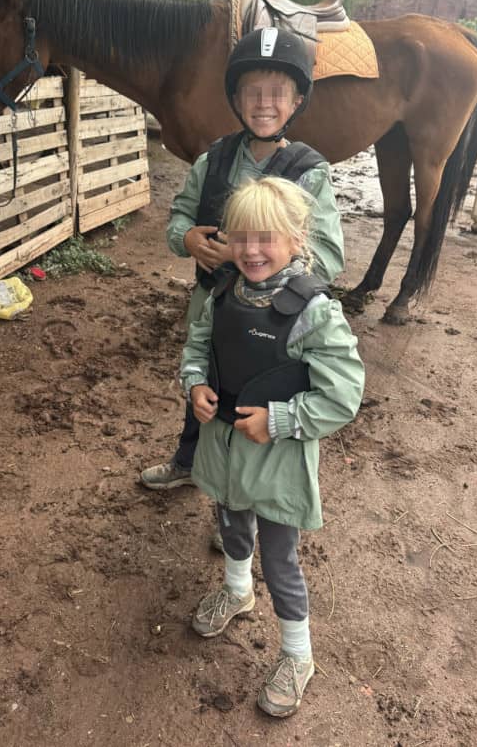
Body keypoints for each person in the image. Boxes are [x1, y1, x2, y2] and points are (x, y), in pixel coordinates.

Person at [181, 176, 364, 717]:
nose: (252, 250)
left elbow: (343, 395)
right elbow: (196, 344)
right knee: (231, 523)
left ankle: (297, 655)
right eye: (241, 237)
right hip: (224, 440)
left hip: (277, 450)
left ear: (297, 238)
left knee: (281, 558)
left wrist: (281, 421)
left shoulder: (314, 310)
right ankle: (237, 591)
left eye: (267, 237)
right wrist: (195, 385)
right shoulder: (221, 291)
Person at [141, 26, 346, 496]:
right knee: (204, 382)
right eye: (253, 92)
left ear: (297, 102)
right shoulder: (213, 159)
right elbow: (179, 217)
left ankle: (242, 492)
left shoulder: (308, 173)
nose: (265, 103)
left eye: (278, 92)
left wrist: (252, 257)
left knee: (256, 392)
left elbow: (329, 257)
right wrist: (188, 239)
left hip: (271, 315)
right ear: (236, 98)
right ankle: (190, 461)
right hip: (212, 303)